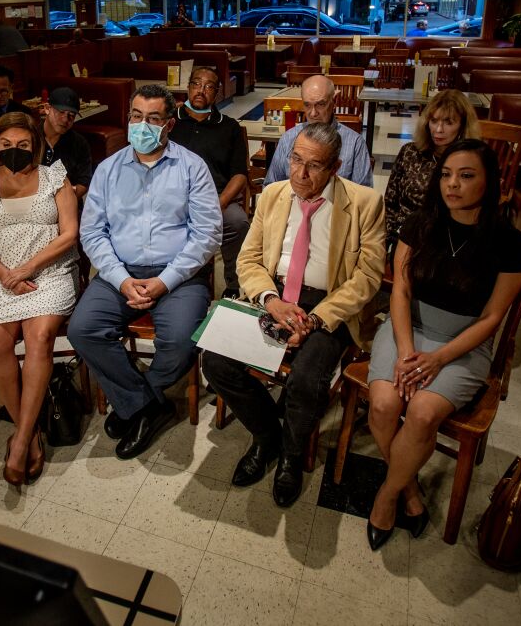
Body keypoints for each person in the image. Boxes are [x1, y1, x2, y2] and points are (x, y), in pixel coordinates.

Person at [202, 123, 385, 507]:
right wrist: (271, 300)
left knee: (306, 380)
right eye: (295, 159)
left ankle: (291, 456)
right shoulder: (272, 194)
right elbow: (250, 259)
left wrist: (314, 320)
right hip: (277, 295)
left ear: (335, 167)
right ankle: (268, 437)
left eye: (313, 166)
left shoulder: (365, 203)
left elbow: (367, 279)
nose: (300, 174)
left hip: (329, 303)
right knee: (216, 360)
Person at [365, 139, 521, 550]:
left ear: (489, 182)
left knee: (421, 412)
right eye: (446, 175)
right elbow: (400, 291)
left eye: (467, 175)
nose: (452, 184)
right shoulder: (420, 223)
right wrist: (406, 352)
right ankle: (410, 490)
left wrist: (437, 359)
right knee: (384, 404)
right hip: (409, 326)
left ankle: (387, 495)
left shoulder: (509, 241)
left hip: (463, 342)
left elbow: (493, 318)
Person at [68, 84, 222, 460]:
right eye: (136, 116)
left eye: (152, 119)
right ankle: (149, 407)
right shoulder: (108, 169)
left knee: (183, 339)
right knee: (82, 329)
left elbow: (207, 233)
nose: (142, 125)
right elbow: (92, 232)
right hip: (119, 271)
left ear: (169, 124)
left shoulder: (191, 167)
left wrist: (163, 281)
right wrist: (121, 278)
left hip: (178, 274)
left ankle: (136, 403)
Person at [0, 112, 79, 487]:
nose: (15, 151)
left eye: (23, 145)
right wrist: (5, 275)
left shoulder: (55, 177)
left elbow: (69, 234)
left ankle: (18, 446)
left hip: (47, 272)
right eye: (7, 146)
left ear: (36, 145)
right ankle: (28, 434)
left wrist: (27, 269)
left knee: (40, 338)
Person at [168, 67, 249, 297]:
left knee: (237, 221)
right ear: (188, 87)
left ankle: (233, 286)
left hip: (217, 197)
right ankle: (178, 281)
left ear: (217, 93)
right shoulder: (171, 121)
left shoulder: (229, 127)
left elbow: (240, 175)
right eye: (196, 84)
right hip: (174, 196)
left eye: (209, 86)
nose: (201, 90)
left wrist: (219, 203)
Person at [384, 90, 481, 253]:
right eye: (434, 121)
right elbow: (390, 202)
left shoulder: (472, 162)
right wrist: (386, 240)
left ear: (463, 126)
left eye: (448, 123)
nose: (439, 129)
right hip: (406, 239)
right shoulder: (410, 152)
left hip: (450, 243)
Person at [265, 75, 373, 188]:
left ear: (334, 102)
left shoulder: (355, 143)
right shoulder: (288, 138)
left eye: (320, 104)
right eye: (307, 105)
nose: (313, 113)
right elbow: (271, 187)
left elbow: (363, 196)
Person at [40, 87, 94, 198]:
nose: (65, 120)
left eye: (71, 115)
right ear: (47, 108)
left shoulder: (80, 143)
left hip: (67, 203)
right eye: (61, 112)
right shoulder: (30, 138)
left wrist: (66, 196)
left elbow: (83, 183)